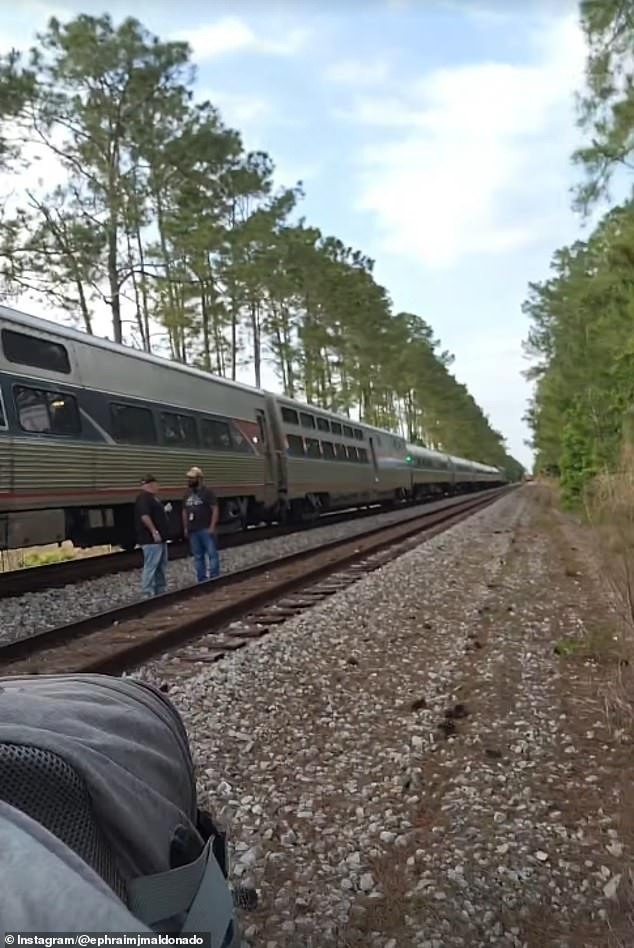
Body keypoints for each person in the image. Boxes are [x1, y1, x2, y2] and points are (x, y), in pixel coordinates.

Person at [182, 466, 220, 583]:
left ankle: (214, 577)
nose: (189, 481)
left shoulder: (207, 493)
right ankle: (201, 578)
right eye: (189, 478)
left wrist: (212, 526)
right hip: (193, 530)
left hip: (205, 528)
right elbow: (184, 511)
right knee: (198, 556)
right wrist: (185, 527)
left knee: (212, 553)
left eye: (192, 478)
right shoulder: (187, 494)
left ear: (199, 479)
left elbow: (214, 509)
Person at [134, 474, 168, 597]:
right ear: (151, 484)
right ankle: (146, 591)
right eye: (156, 484)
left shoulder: (153, 498)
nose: (157, 486)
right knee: (151, 565)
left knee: (160, 565)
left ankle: (160, 590)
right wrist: (154, 532)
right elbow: (145, 516)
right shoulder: (144, 498)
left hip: (159, 539)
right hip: (151, 539)